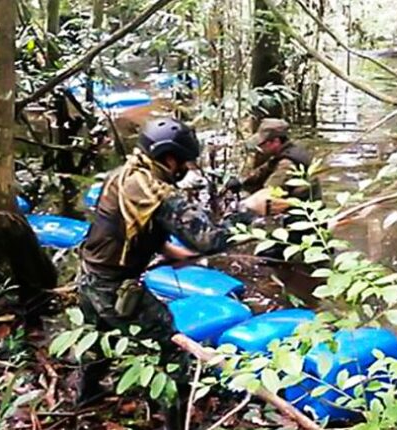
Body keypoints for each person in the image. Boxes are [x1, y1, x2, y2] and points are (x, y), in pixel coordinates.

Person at [78, 118, 253, 428]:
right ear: (169, 158)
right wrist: (252, 211)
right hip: (111, 285)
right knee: (171, 346)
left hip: (89, 275)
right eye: (184, 162)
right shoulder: (157, 191)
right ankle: (176, 421)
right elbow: (210, 239)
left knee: (97, 337)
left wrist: (168, 250)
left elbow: (121, 226)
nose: (186, 168)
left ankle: (87, 395)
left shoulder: (125, 174)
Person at [231, 118, 322, 210]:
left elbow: (268, 194)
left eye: (263, 144)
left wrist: (242, 206)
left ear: (276, 142)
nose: (260, 148)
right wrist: (240, 182)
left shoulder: (286, 164)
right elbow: (260, 173)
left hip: (304, 214)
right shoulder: (283, 152)